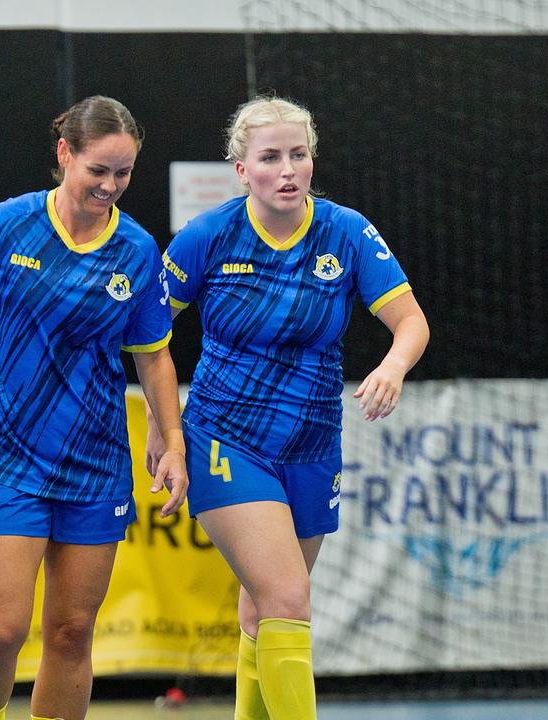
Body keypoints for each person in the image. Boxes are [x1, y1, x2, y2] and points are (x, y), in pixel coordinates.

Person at [0, 95, 188, 720]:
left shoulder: (136, 248)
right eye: (98, 168)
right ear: (64, 153)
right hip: (7, 456)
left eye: (123, 172)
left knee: (71, 633)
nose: (110, 185)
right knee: (0, 631)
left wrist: (171, 439)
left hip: (95, 463)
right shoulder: (7, 224)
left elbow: (153, 355)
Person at [150, 96, 430, 720]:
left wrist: (391, 365)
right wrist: (164, 433)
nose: (287, 169)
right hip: (226, 437)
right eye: (270, 157)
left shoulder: (346, 231)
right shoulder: (208, 236)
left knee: (263, 606)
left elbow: (411, 323)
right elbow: (148, 340)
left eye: (298, 155)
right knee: (287, 595)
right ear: (240, 168)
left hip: (310, 443)